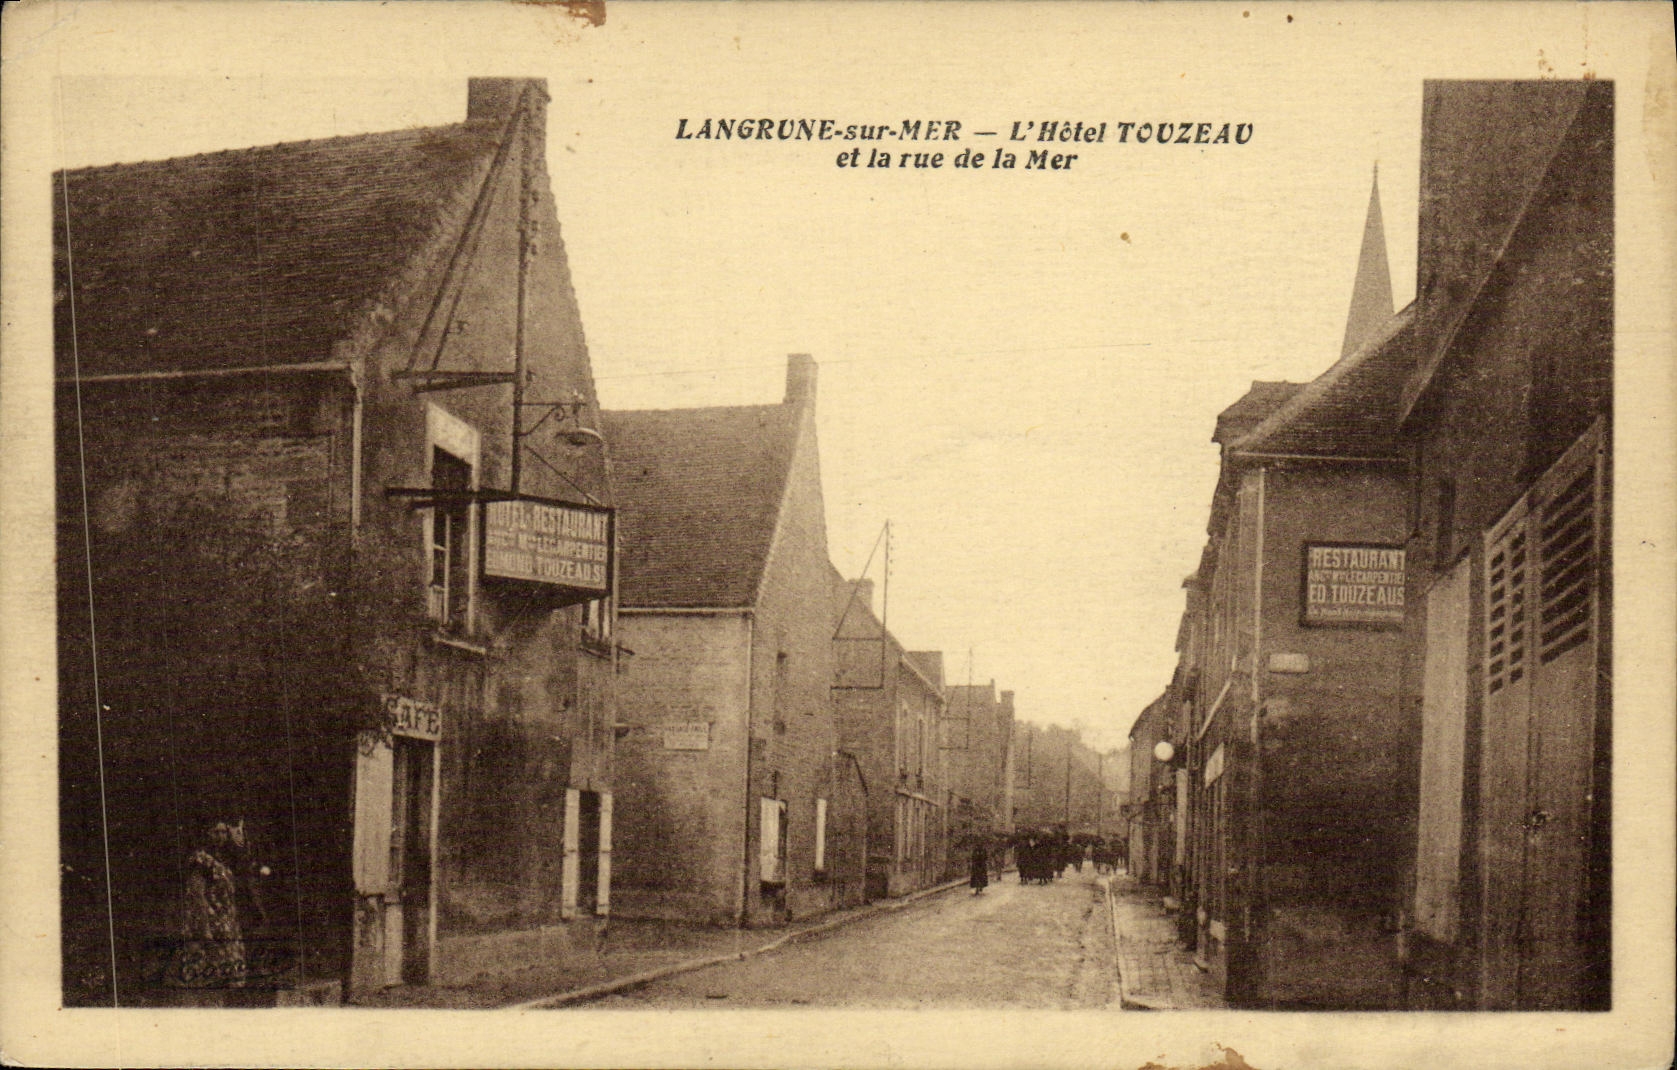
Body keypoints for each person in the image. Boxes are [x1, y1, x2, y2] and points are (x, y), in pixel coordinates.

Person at [176, 820, 248, 988]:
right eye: (216, 832)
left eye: (223, 832)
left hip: (227, 924)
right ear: (207, 834)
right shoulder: (201, 861)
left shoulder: (224, 859)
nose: (220, 836)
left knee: (231, 978)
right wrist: (205, 930)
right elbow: (197, 894)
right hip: (210, 923)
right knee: (209, 977)